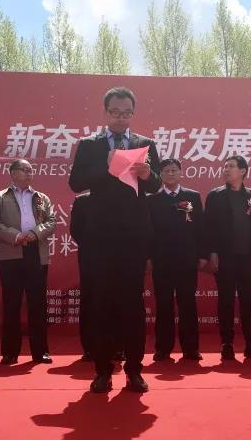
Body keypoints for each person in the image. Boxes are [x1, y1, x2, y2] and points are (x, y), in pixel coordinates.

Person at [69, 86, 161, 393]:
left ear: (133, 113)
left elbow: (156, 186)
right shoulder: (89, 145)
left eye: (126, 113)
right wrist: (107, 169)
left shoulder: (145, 144)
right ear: (106, 112)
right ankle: (102, 371)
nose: (121, 118)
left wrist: (147, 175)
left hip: (133, 237)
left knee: (133, 304)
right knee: (102, 304)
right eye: (115, 112)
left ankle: (134, 370)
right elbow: (76, 182)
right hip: (100, 237)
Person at [0, 159, 56, 365]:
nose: (29, 173)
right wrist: (16, 236)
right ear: (13, 173)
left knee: (38, 304)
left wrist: (35, 233)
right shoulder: (0, 197)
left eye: (30, 170)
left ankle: (40, 351)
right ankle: (10, 351)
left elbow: (51, 221)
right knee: (11, 303)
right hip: (11, 253)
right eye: (24, 170)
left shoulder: (41, 197)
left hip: (36, 252)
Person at [204, 155, 251, 361]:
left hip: (249, 257)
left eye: (230, 166)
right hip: (225, 257)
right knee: (226, 301)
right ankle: (227, 344)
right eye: (225, 166)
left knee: (249, 302)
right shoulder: (215, 195)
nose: (226, 169)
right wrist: (212, 251)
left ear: (242, 171)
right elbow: (209, 227)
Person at [147, 158, 206, 362]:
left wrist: (202, 255)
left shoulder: (193, 196)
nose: (171, 174)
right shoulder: (152, 199)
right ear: (160, 175)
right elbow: (148, 232)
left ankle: (191, 349)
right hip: (161, 261)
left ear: (181, 173)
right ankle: (163, 348)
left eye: (174, 170)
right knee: (164, 304)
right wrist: (149, 257)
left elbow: (200, 228)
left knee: (188, 303)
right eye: (166, 171)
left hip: (187, 260)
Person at [70, 192, 125, 362]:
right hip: (91, 260)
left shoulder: (123, 198)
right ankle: (90, 347)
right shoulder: (82, 200)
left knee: (118, 301)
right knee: (90, 301)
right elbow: (76, 230)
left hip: (118, 259)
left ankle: (118, 347)